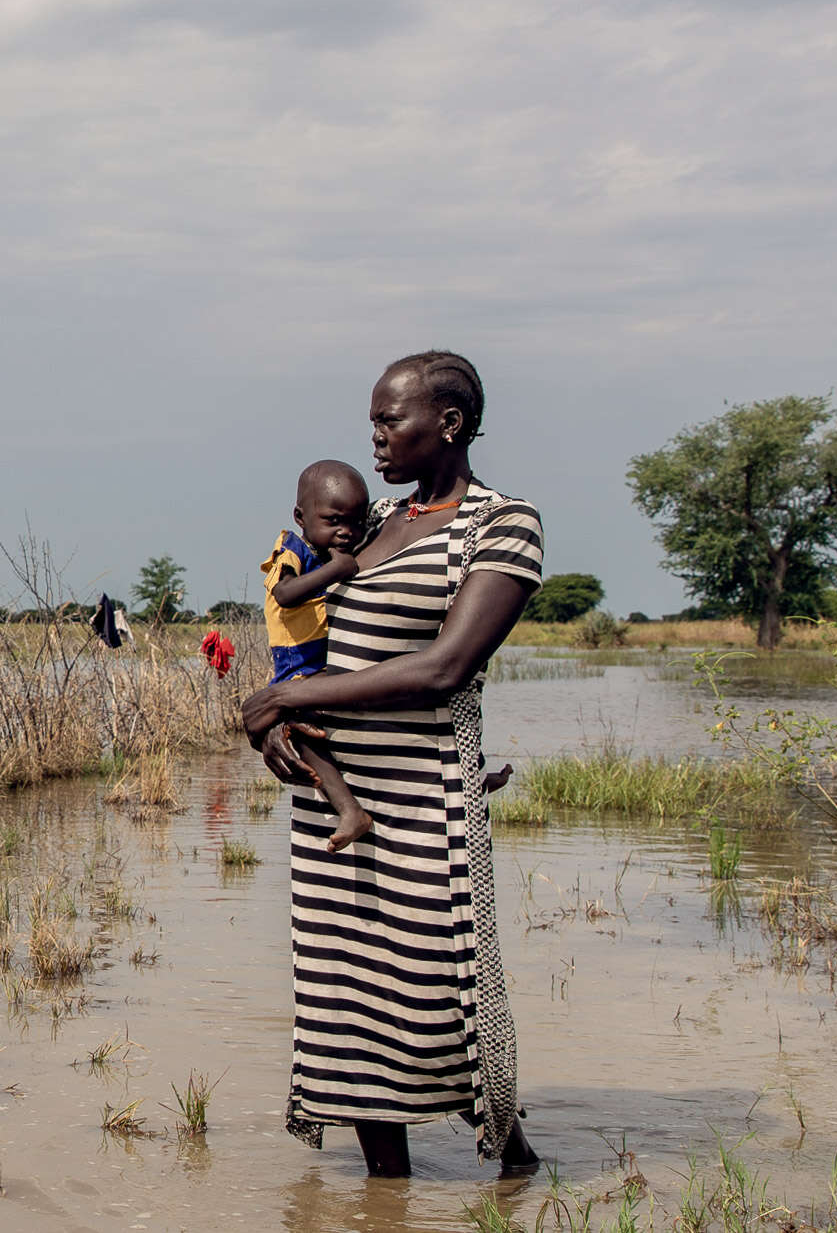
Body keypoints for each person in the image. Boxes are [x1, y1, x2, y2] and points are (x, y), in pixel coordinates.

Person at [241, 350, 543, 1178]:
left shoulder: (500, 524)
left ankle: (510, 1159)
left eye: (388, 419)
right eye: (372, 420)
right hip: (332, 804)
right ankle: (389, 1194)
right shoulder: (369, 524)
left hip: (422, 799)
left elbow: (447, 666)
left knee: (441, 992)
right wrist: (279, 721)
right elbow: (299, 624)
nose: (373, 437)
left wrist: (293, 703)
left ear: (446, 424)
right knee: (346, 1001)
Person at [260, 460, 379, 851]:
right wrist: (338, 569)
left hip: (324, 663)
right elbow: (285, 594)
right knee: (300, 728)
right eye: (333, 520)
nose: (346, 532)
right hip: (297, 666)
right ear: (300, 516)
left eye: (356, 522)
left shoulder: (328, 551)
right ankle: (348, 808)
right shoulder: (292, 548)